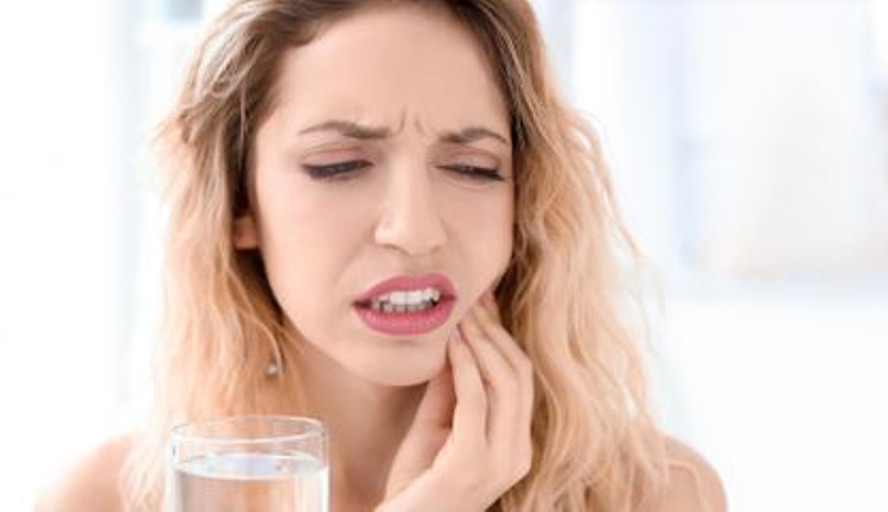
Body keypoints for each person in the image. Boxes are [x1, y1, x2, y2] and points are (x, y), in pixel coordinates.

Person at [38, 0, 726, 510]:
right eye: (339, 165)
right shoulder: (106, 500)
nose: (415, 229)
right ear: (238, 204)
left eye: (472, 168)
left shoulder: (656, 495)